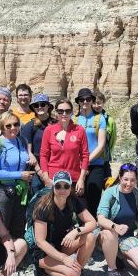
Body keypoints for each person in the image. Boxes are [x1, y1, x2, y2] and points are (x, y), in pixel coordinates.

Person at [33, 171, 97, 276]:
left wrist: (75, 231)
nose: (62, 189)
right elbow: (40, 241)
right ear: (53, 187)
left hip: (62, 244)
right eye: (58, 186)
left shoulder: (72, 200)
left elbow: (92, 222)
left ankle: (78, 273)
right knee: (72, 273)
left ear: (70, 187)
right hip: (44, 253)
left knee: (90, 236)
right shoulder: (43, 207)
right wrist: (64, 258)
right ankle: (42, 269)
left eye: (66, 186)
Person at [97, 163, 138, 276]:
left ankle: (118, 255)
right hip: (107, 235)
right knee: (109, 233)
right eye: (126, 179)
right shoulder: (110, 193)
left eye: (132, 180)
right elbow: (100, 219)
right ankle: (112, 269)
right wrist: (115, 227)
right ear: (120, 178)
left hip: (126, 237)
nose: (129, 184)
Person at [0, 112, 34, 239]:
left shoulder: (22, 141)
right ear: (2, 128)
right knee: (1, 228)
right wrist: (20, 175)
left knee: (18, 227)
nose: (13, 128)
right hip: (3, 192)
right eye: (8, 126)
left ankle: (17, 255)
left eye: (16, 124)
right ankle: (1, 257)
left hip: (21, 190)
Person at [39, 98, 89, 196]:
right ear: (56, 112)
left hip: (73, 179)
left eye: (67, 111)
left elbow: (85, 155)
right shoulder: (49, 130)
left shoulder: (79, 130)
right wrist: (45, 177)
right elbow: (43, 155)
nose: (64, 114)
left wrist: (81, 179)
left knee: (73, 209)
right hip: (53, 179)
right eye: (60, 111)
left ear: (72, 113)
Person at [73, 88, 107, 217]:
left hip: (95, 164)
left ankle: (94, 227)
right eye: (82, 100)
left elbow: (101, 145)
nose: (85, 102)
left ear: (92, 100)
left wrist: (85, 162)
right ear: (79, 102)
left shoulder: (100, 119)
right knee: (80, 197)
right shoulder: (74, 120)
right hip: (77, 165)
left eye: (88, 99)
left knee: (94, 194)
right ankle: (83, 226)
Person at [21, 93, 57, 195]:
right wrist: (40, 172)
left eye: (42, 104)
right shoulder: (30, 126)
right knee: (37, 195)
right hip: (37, 168)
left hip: (54, 164)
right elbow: (28, 152)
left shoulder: (56, 124)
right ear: (33, 108)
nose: (40, 107)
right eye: (36, 105)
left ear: (48, 106)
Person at [92, 91, 117, 179]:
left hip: (104, 159)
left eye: (99, 103)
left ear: (103, 103)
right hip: (90, 158)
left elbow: (112, 141)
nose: (96, 105)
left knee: (108, 185)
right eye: (94, 103)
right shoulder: (87, 119)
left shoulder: (110, 120)